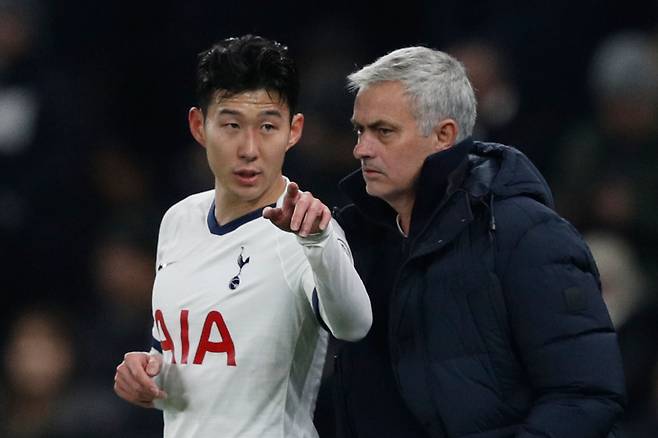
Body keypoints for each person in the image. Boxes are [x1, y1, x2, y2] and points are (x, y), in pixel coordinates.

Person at [331, 46, 626, 437]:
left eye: (383, 131)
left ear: (444, 135)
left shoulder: (526, 235)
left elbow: (584, 395)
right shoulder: (354, 241)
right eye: (359, 130)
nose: (361, 149)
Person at [112, 34, 372, 438]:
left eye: (268, 126)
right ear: (199, 126)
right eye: (231, 125)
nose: (249, 148)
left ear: (293, 130)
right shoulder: (178, 220)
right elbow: (183, 359)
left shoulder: (307, 231)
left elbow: (354, 325)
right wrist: (145, 372)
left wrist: (318, 243)